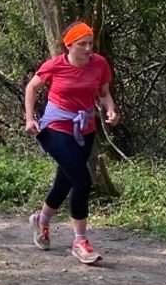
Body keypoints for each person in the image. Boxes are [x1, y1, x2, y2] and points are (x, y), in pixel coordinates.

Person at [23, 22, 120, 265]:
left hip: (85, 128)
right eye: (82, 44)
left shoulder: (99, 63)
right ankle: (80, 242)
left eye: (90, 43)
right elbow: (32, 87)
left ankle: (41, 221)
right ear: (69, 46)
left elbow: (104, 93)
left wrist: (110, 109)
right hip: (55, 126)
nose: (88, 49)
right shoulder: (55, 65)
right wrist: (29, 118)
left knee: (65, 181)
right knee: (82, 181)